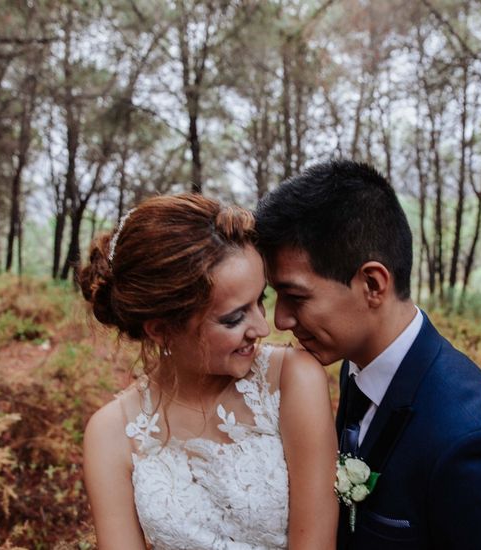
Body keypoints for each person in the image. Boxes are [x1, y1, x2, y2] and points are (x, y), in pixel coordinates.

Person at [255, 160, 481, 549]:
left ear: (373, 284)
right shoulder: (353, 368)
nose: (280, 319)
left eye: (296, 297)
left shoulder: (474, 443)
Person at [78, 193, 338, 549]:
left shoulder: (293, 380)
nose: (262, 328)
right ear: (161, 328)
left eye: (260, 300)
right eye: (234, 317)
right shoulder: (110, 433)